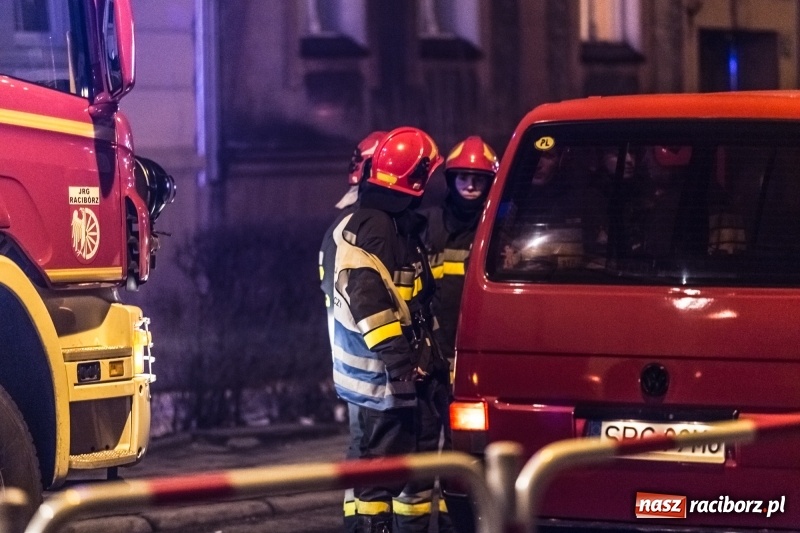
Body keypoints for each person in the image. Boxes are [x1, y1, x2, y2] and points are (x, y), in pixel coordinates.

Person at [331, 126, 446, 533]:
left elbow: (410, 300)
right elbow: (370, 305)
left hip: (395, 380)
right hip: (382, 384)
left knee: (407, 475)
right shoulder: (374, 228)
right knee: (379, 477)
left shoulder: (394, 227)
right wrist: (401, 363)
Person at [319, 130, 387, 533]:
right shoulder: (358, 229)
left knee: (363, 448)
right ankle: (365, 525)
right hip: (372, 365)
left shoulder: (343, 225)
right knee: (370, 451)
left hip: (356, 366)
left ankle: (360, 522)